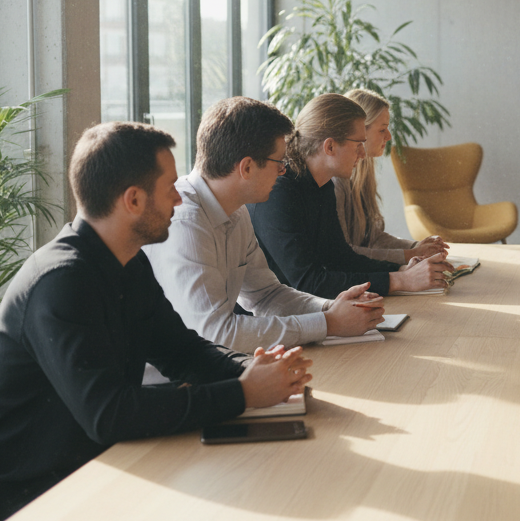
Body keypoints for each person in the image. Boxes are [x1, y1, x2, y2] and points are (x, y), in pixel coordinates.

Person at [0, 122, 312, 521]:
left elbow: (180, 350)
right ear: (132, 200)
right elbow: (108, 414)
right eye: (169, 189)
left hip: (92, 462)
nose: (179, 201)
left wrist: (254, 375)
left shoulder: (128, 261)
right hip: (35, 496)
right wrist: (241, 393)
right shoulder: (61, 282)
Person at [144, 97, 386, 354]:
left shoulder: (236, 211)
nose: (283, 172)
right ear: (247, 167)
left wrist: (332, 308)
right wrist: (329, 323)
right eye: (279, 163)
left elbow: (266, 295)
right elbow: (216, 333)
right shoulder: (186, 224)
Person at [249, 93, 451, 298]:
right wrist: (400, 281)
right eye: (357, 145)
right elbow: (309, 282)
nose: (363, 155)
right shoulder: (279, 192)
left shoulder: (322, 184)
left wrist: (402, 270)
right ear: (329, 146)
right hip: (266, 319)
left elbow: (341, 258)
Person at [336, 88, 449, 264]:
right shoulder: (336, 182)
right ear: (360, 131)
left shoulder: (364, 173)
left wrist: (417, 247)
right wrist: (411, 254)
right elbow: (343, 253)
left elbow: (374, 239)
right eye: (382, 130)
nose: (389, 137)